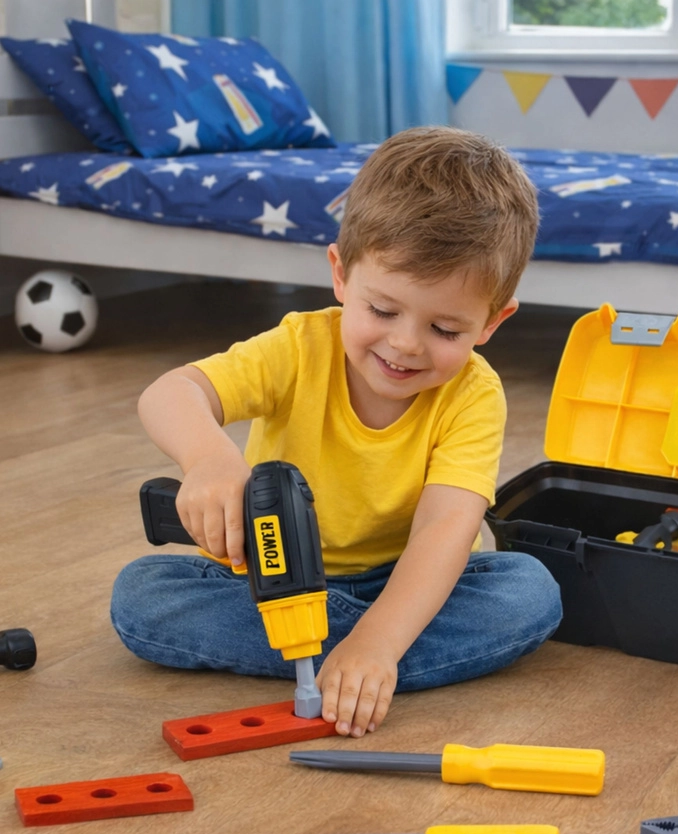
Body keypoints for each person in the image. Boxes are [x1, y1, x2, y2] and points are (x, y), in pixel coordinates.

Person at [111, 126, 562, 738]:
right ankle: (359, 670)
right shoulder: (298, 347)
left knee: (528, 593)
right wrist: (209, 458)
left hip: (401, 584)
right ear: (342, 275)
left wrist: (379, 636)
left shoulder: (474, 395)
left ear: (492, 322)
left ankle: (350, 658)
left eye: (445, 330)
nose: (405, 344)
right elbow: (171, 393)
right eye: (383, 310)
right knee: (142, 596)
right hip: (267, 582)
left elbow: (445, 529)